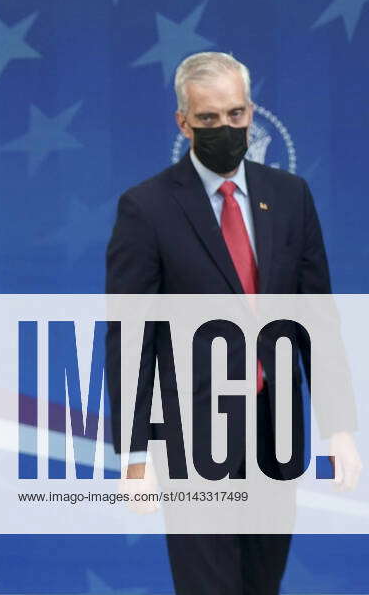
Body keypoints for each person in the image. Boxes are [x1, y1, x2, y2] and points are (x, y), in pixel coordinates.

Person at [105, 51, 359, 595]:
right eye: (209, 119)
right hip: (193, 437)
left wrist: (339, 427)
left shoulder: (291, 198)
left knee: (261, 586)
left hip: (276, 432)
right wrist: (133, 453)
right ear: (183, 122)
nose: (225, 128)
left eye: (235, 114)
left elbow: (317, 318)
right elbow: (131, 336)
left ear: (250, 112)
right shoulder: (146, 207)